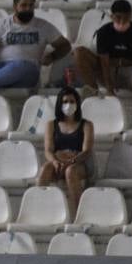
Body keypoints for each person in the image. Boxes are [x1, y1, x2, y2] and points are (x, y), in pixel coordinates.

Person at [0, 0, 70, 95]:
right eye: (23, 5)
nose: (28, 9)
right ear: (15, 7)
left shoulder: (43, 26)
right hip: (0, 67)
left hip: (28, 71)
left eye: (31, 5)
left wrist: (53, 56)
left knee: (22, 64)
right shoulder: (2, 24)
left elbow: (65, 45)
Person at [74, 0, 132, 98]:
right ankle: (93, 92)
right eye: (118, 18)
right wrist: (109, 88)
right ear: (112, 16)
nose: (122, 21)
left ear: (130, 16)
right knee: (78, 52)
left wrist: (123, 62)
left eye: (125, 18)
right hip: (107, 69)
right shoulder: (103, 32)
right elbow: (104, 62)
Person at [40, 86, 94, 217]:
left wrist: (72, 161)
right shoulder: (51, 125)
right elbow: (48, 150)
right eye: (65, 102)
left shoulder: (86, 125)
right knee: (44, 169)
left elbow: (87, 151)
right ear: (59, 104)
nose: (68, 105)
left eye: (72, 101)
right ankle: (40, 210)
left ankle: (78, 215)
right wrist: (55, 162)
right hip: (58, 162)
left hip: (80, 162)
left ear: (77, 104)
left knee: (71, 172)